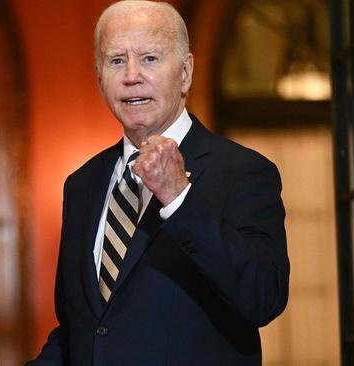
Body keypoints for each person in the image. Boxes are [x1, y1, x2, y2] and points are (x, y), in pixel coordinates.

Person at [27, 1, 289, 365]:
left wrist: (179, 196)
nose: (132, 75)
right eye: (116, 61)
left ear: (185, 72)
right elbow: (81, 330)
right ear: (99, 76)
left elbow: (264, 298)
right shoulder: (82, 184)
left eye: (149, 58)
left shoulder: (243, 172)